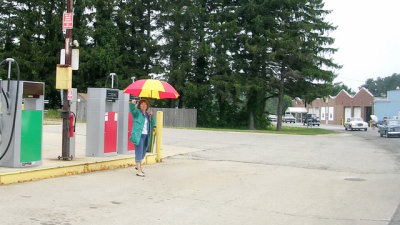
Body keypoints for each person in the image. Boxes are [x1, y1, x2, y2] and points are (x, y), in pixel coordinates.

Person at [129, 99, 155, 177]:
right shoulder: (137, 113)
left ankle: (137, 166)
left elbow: (153, 124)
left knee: (143, 153)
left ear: (147, 106)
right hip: (138, 135)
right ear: (139, 106)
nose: (143, 105)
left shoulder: (147, 115)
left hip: (146, 136)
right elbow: (132, 110)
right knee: (139, 152)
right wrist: (132, 104)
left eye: (145, 104)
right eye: (142, 104)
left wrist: (151, 116)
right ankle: (139, 171)